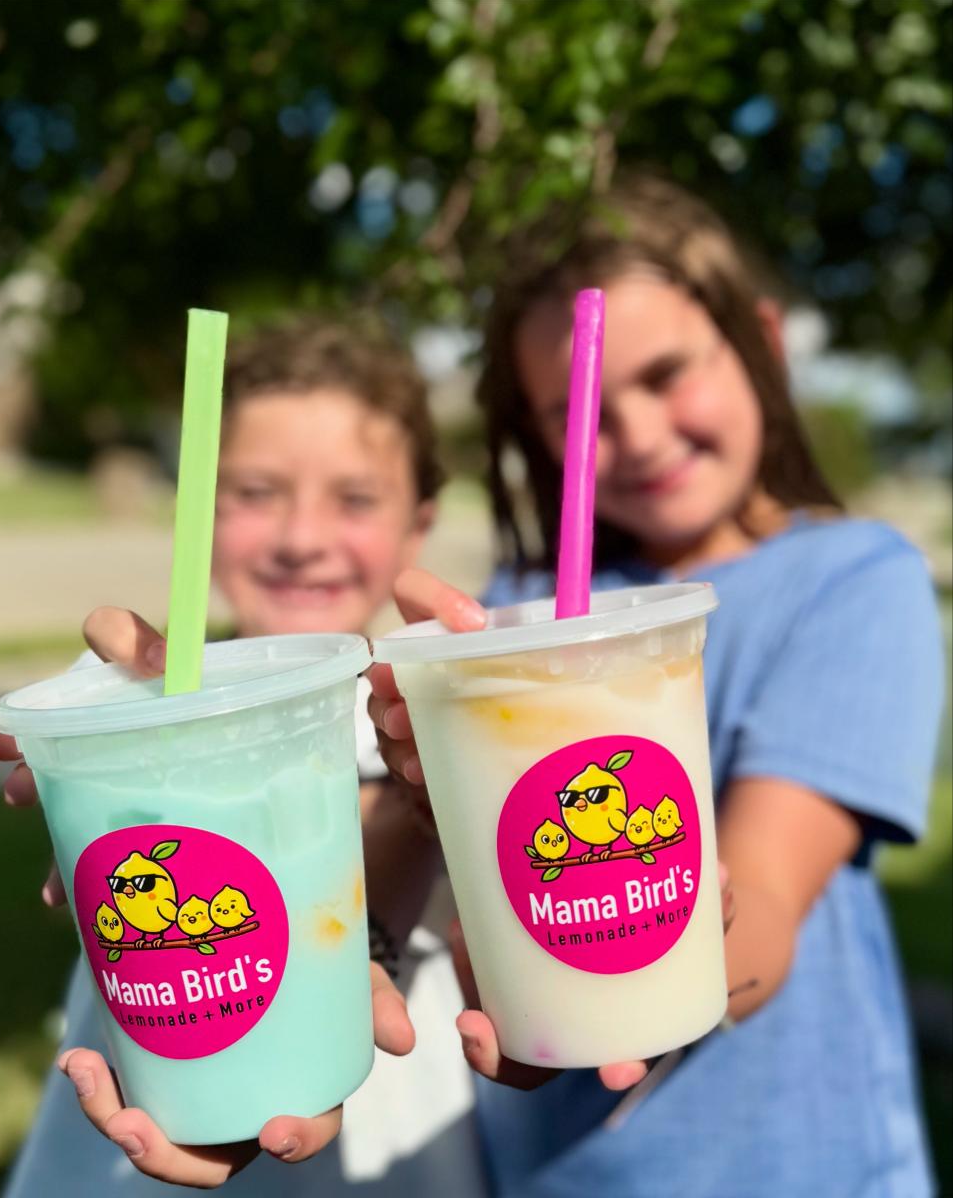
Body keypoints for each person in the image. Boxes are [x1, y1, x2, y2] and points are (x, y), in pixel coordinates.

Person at [368, 173, 945, 1197]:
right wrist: (426, 792)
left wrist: (670, 961)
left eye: (668, 373)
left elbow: (766, 898)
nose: (635, 435)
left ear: (760, 342)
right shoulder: (515, 610)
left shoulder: (852, 581)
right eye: (581, 411)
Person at [0, 319, 488, 1194]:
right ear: (199, 511)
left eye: (355, 499)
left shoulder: (425, 726)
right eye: (255, 492)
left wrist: (426, 804)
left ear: (418, 526)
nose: (301, 537)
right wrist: (96, 745)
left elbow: (388, 815)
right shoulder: (134, 712)